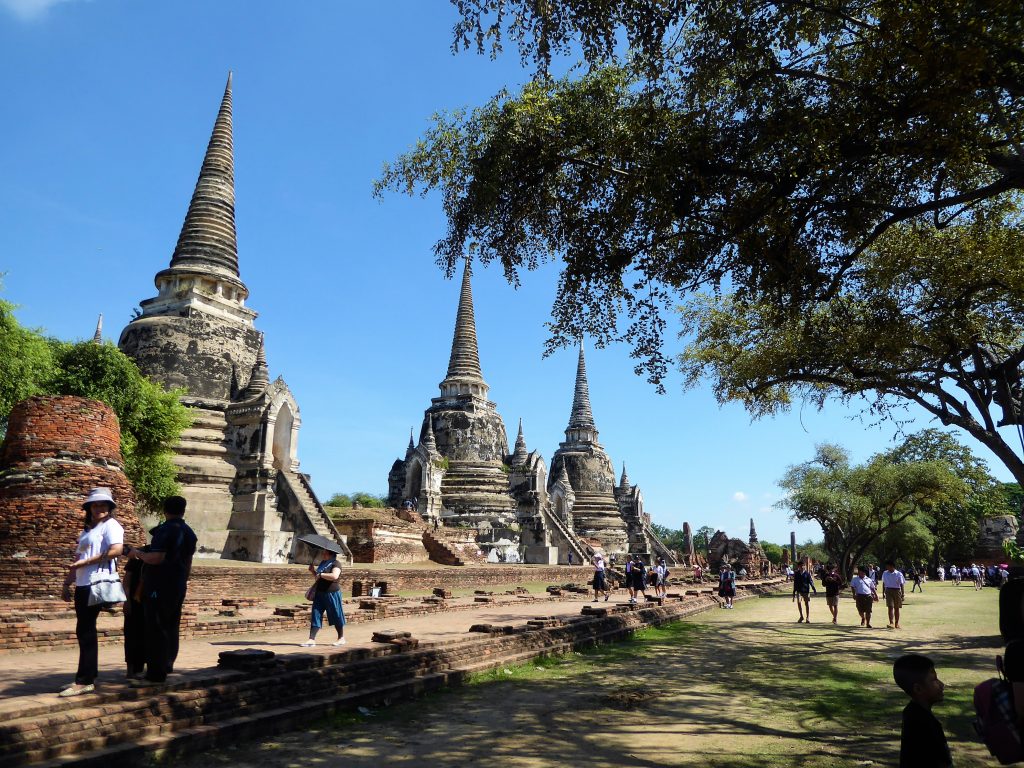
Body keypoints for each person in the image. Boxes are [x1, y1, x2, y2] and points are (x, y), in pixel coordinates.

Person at [59, 487, 125, 697]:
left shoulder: (111, 525)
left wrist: (89, 560)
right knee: (83, 630)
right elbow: (78, 560)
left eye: (103, 505)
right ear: (89, 508)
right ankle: (88, 675)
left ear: (109, 507)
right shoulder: (87, 530)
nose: (99, 508)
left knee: (86, 630)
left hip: (97, 583)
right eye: (95, 505)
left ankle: (84, 680)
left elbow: (117, 550)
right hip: (83, 583)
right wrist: (67, 583)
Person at [125, 495, 197, 684]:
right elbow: (188, 563)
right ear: (183, 510)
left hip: (158, 586)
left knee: (155, 627)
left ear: (164, 510)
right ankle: (166, 664)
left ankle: (155, 673)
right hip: (177, 584)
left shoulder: (165, 530)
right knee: (171, 625)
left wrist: (137, 553)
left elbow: (157, 558)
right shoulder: (188, 532)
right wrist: (182, 581)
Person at [893, 654, 952, 768]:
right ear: (918, 689)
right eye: (934, 680)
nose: (941, 684)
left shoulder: (911, 713)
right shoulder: (923, 723)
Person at [300, 548, 346, 646]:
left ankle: (341, 637)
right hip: (320, 593)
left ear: (330, 554)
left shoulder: (336, 563)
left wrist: (321, 574)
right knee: (315, 614)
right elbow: (318, 577)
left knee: (336, 614)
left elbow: (334, 576)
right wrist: (313, 571)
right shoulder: (323, 563)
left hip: (332, 593)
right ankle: (311, 639)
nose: (323, 554)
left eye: (325, 553)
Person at [882, 561, 906, 629]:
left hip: (897, 590)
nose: (887, 567)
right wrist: (883, 592)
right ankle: (891, 622)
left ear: (892, 566)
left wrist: (903, 594)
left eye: (888, 566)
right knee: (890, 607)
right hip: (888, 590)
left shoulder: (898, 574)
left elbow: (901, 584)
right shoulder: (885, 573)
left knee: (897, 607)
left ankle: (897, 623)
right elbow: (884, 583)